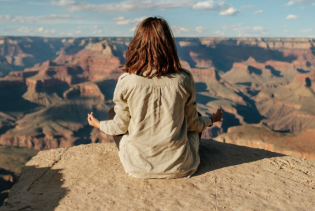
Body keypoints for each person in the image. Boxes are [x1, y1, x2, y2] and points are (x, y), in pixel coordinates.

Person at [87, 17, 223, 179]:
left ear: (137, 45)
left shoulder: (127, 80)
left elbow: (120, 127)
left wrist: (98, 124)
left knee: (112, 114)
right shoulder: (184, 79)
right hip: (180, 166)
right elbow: (193, 124)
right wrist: (210, 120)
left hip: (137, 167)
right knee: (197, 116)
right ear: (169, 45)